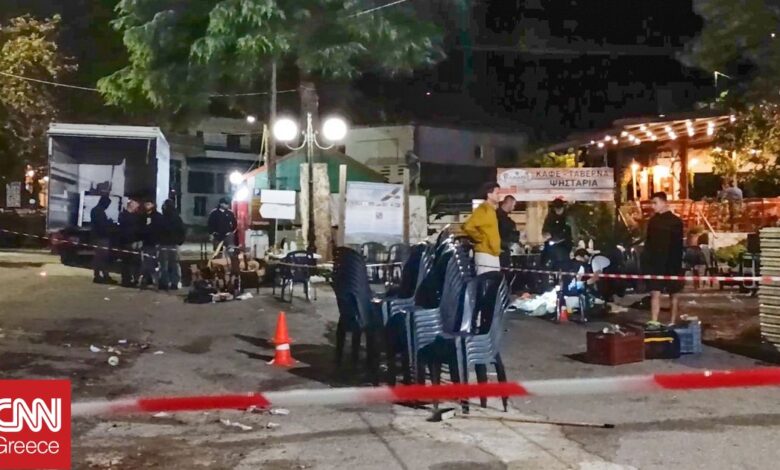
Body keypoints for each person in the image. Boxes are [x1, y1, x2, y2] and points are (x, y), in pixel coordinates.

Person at [641, 191, 684, 327]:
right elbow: (648, 243)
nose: (653, 206)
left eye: (655, 203)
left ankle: (672, 321)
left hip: (672, 262)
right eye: (652, 203)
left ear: (664, 203)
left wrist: (678, 263)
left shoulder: (676, 222)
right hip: (656, 262)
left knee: (674, 294)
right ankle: (654, 321)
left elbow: (679, 244)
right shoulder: (653, 221)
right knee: (655, 292)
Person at [462, 182, 501, 275]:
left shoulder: (491, 210)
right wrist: (480, 238)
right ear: (489, 195)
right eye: (497, 193)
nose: (499, 196)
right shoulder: (483, 210)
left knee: (494, 281)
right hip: (485, 254)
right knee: (486, 281)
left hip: (493, 253)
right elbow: (467, 226)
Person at [159, 199, 186, 290]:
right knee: (174, 264)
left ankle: (164, 283)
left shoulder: (162, 218)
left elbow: (157, 231)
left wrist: (158, 241)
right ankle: (175, 282)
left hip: (163, 245)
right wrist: (180, 241)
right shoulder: (177, 218)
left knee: (164, 265)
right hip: (174, 245)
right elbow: (182, 231)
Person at [139, 199, 164, 288]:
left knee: (154, 263)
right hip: (146, 243)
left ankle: (155, 280)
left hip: (155, 243)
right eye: (146, 204)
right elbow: (140, 229)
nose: (146, 206)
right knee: (146, 262)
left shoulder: (158, 217)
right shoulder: (143, 216)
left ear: (153, 205)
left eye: (148, 204)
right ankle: (147, 279)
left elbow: (159, 230)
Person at [90, 195, 116, 284]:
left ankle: (101, 275)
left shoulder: (95, 210)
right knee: (102, 258)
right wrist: (109, 222)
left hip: (97, 237)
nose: (107, 206)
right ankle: (102, 276)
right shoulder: (99, 211)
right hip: (101, 237)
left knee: (100, 257)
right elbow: (102, 225)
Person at [118, 199, 141, 287]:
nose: (137, 208)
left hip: (130, 242)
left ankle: (129, 280)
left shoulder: (128, 216)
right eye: (136, 205)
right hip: (128, 243)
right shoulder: (126, 216)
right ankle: (127, 280)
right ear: (131, 205)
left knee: (130, 263)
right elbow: (128, 231)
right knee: (128, 263)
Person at [496, 195, 519, 268]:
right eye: (513, 205)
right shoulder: (502, 219)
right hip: (501, 251)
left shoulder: (498, 216)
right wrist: (517, 236)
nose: (514, 208)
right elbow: (504, 234)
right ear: (509, 203)